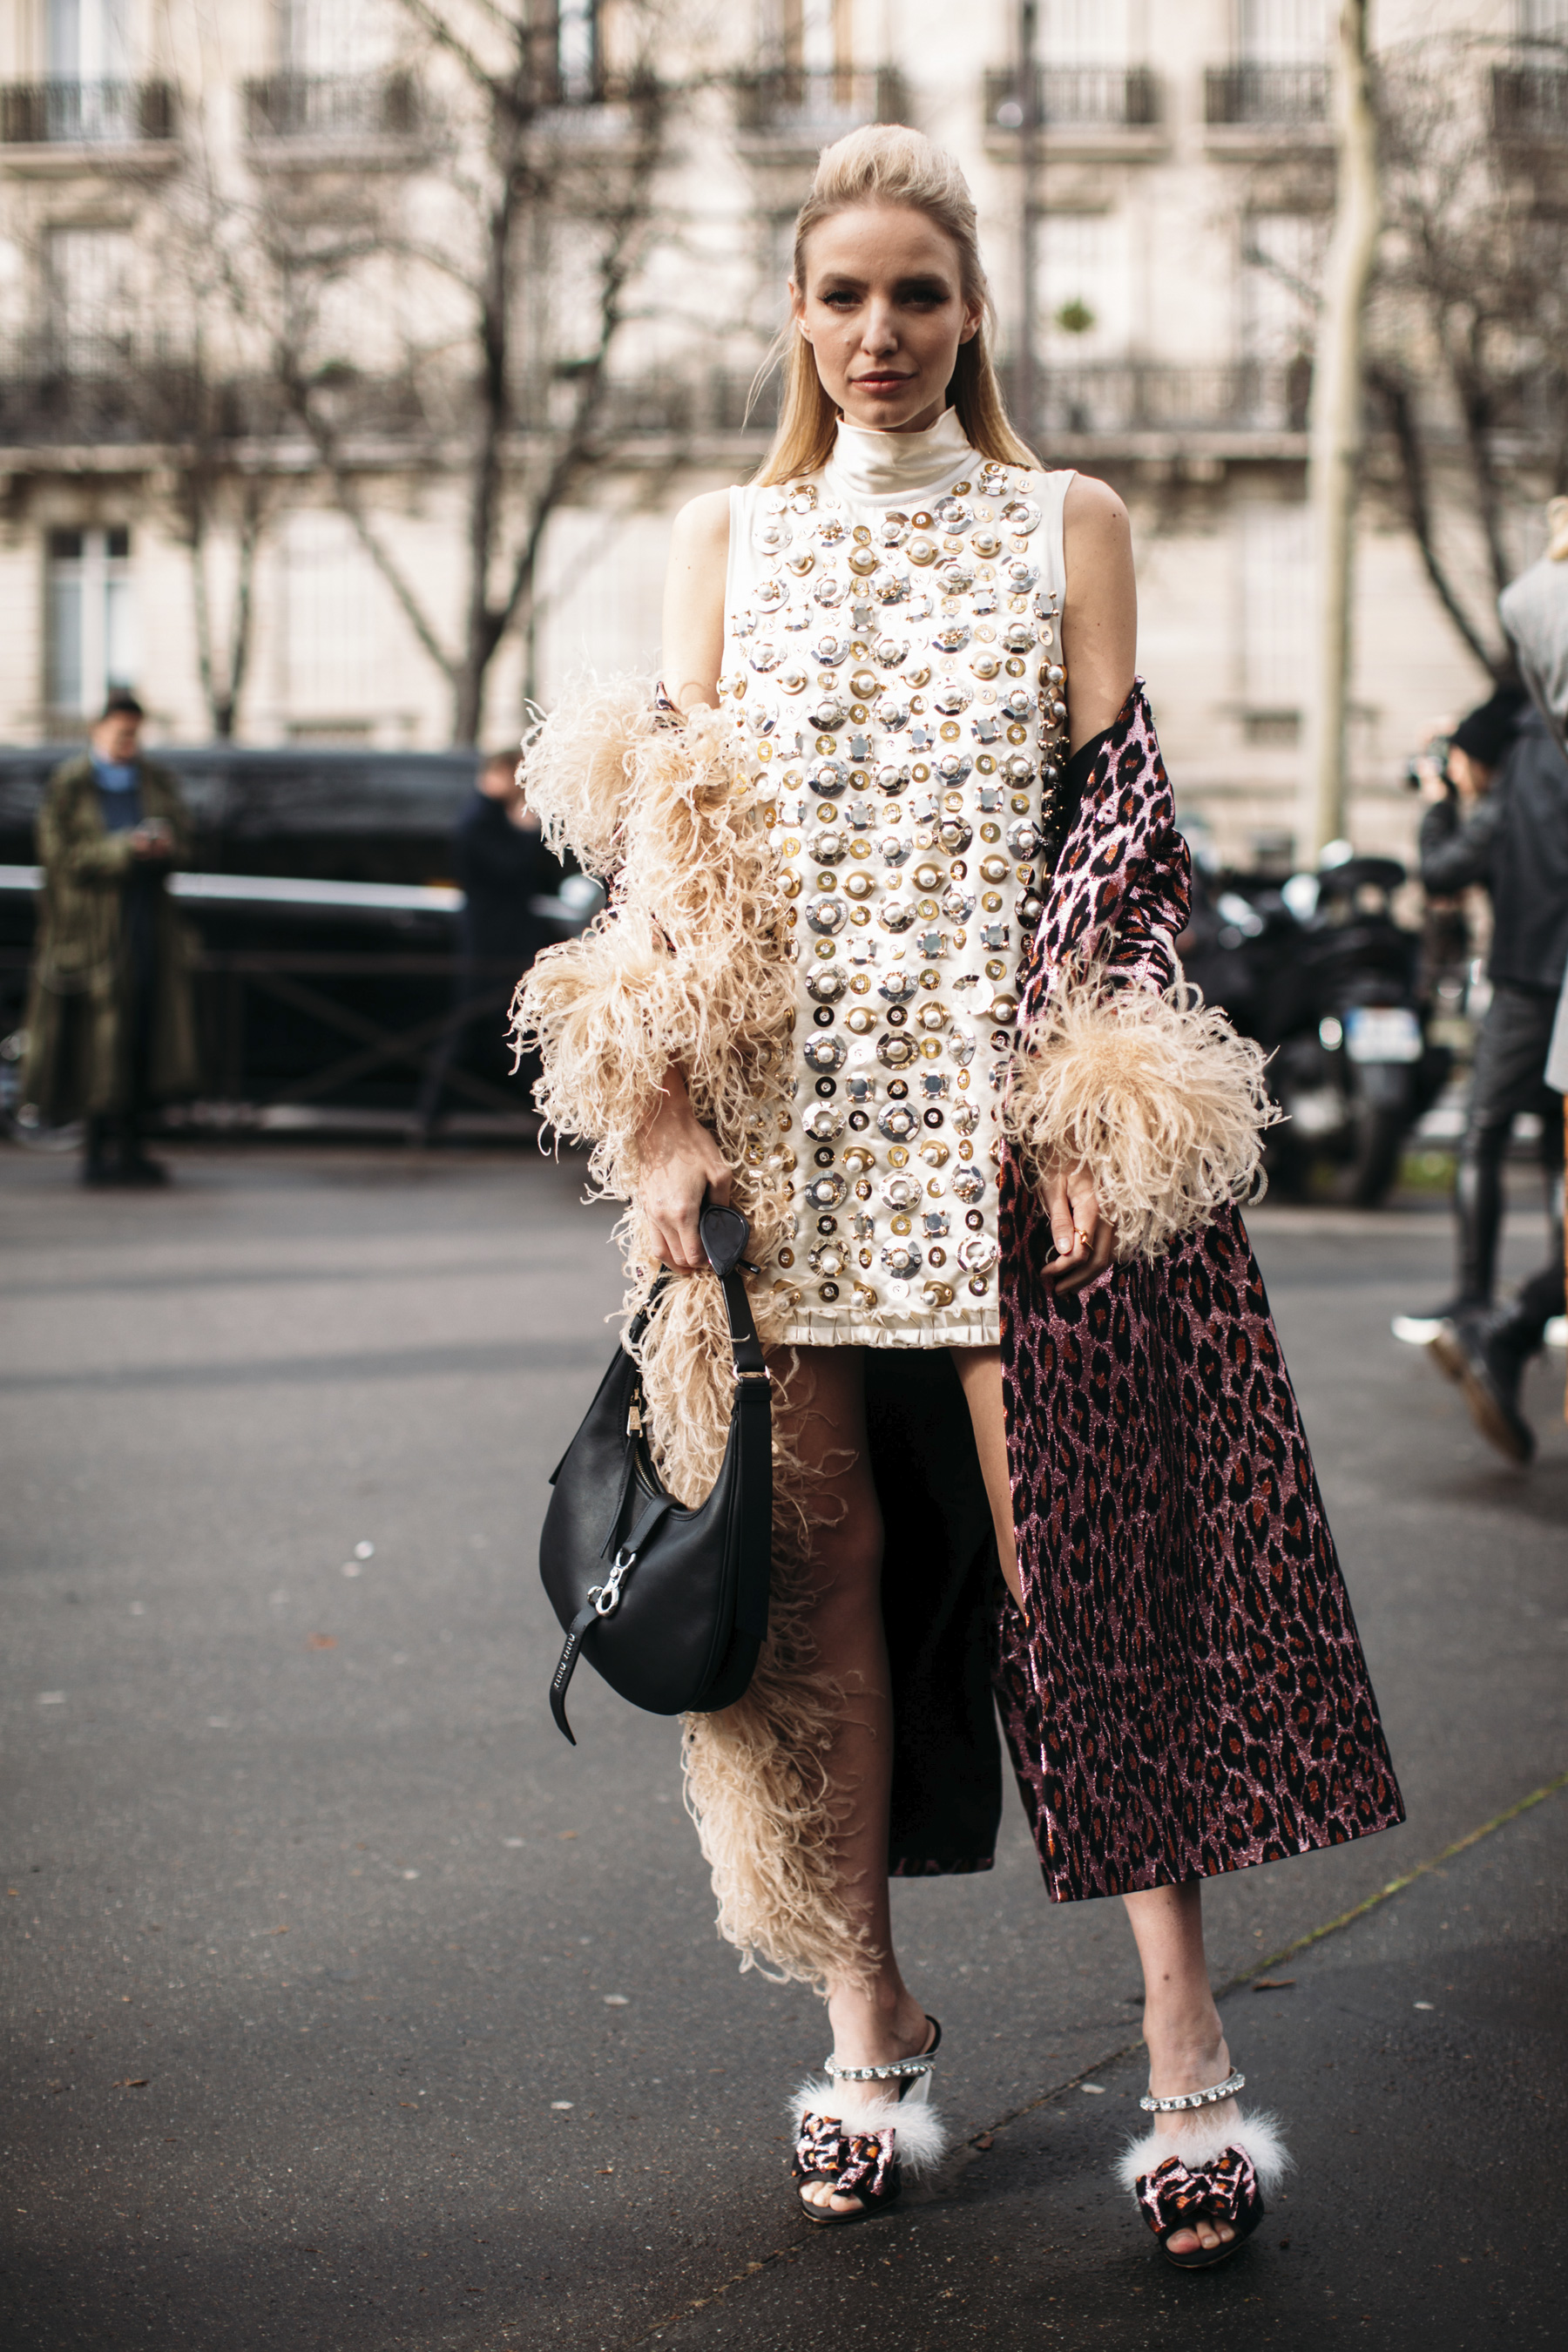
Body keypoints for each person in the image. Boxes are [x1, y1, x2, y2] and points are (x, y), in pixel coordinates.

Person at [516, 127, 1403, 2268]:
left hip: (1004, 1164)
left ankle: (1185, 2045)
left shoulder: (1065, 525)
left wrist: (1099, 1115)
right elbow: (677, 875)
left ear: (974, 305)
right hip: (793, 1167)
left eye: (919, 292)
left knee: (1074, 1580)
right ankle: (868, 2020)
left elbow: (1121, 852)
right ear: (798, 321)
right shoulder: (724, 539)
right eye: (843, 297)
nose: (881, 334)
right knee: (808, 1619)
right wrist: (658, 1129)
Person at [1409, 663, 1568, 1462]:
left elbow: (1442, 874)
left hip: (1526, 980)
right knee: (1557, 1156)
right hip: (1556, 984)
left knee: (1485, 1135)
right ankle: (1520, 1319)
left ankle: (1479, 1305)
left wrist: (1442, 800)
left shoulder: (1523, 765)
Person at [21, 692, 199, 1186]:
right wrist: (124, 849)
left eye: (135, 733)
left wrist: (163, 846)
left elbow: (186, 839)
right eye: (121, 733)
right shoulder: (70, 785)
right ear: (98, 730)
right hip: (89, 935)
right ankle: (97, 1152)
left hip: (147, 928)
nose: (129, 743)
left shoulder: (156, 780)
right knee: (97, 1044)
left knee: (145, 1037)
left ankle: (134, 1148)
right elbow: (62, 857)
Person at [412, 751, 560, 1139]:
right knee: (492, 1027)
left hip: (496, 942)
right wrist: (526, 829)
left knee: (507, 1028)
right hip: (492, 944)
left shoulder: (481, 817)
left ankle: (433, 1118)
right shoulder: (479, 821)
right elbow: (511, 869)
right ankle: (431, 1117)